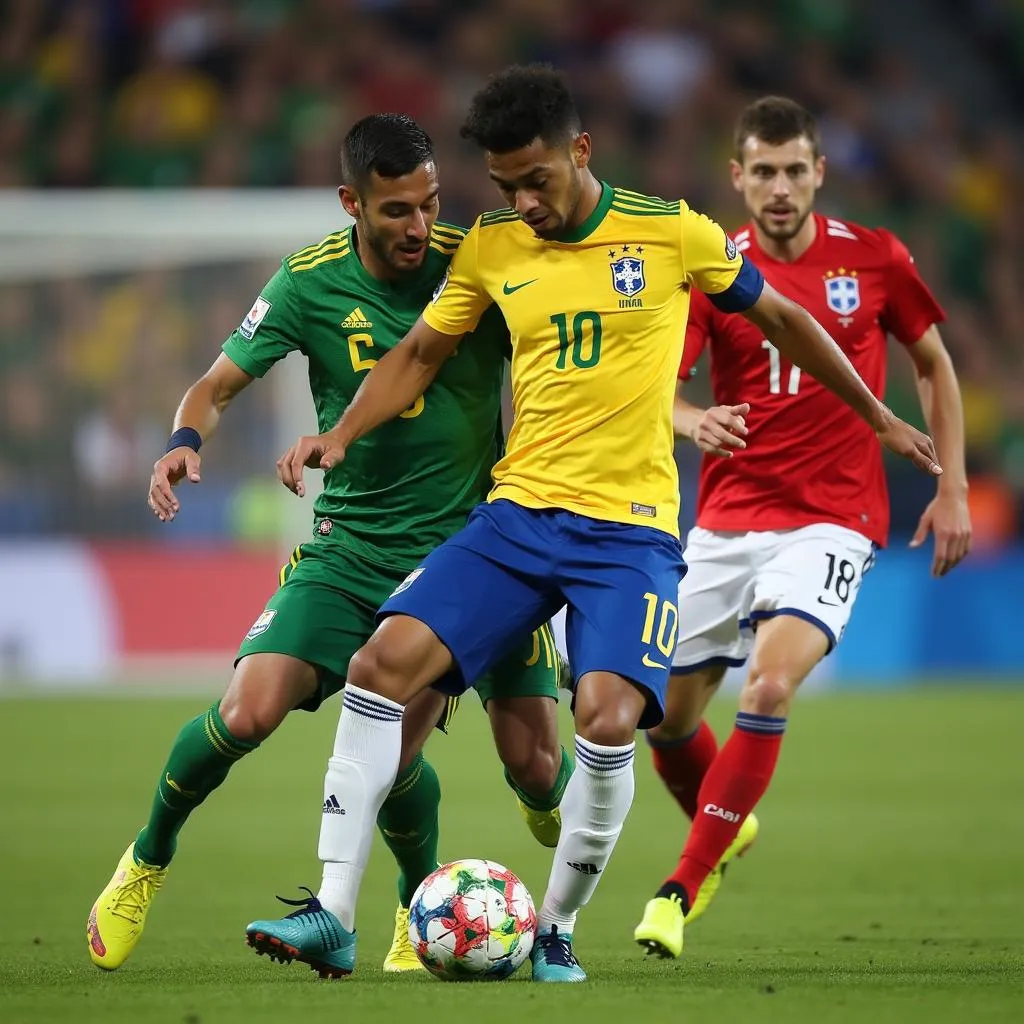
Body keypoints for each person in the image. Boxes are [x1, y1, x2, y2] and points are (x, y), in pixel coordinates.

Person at [245, 65, 940, 984]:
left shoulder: (670, 231)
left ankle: (558, 927)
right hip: (517, 517)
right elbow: (419, 351)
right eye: (504, 186)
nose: (522, 202)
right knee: (379, 666)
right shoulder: (493, 247)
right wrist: (339, 431)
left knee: (607, 720)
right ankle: (333, 912)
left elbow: (782, 320)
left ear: (580, 151)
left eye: (536, 180)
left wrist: (877, 413)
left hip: (629, 535)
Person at [87, 113, 569, 977]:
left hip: (475, 551)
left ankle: (444, 888)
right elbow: (217, 383)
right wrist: (183, 441)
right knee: (247, 711)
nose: (418, 227)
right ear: (352, 202)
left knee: (532, 767)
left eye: (427, 205)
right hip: (350, 549)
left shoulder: (481, 264)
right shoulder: (309, 282)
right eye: (395, 211)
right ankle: (144, 863)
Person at [633, 96, 971, 959]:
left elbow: (932, 362)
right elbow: (662, 389)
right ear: (737, 177)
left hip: (832, 517)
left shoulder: (876, 258)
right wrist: (692, 421)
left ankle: (681, 883)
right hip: (725, 519)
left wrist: (955, 488)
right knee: (663, 720)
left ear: (819, 172)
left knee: (771, 688)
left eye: (795, 170)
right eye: (763, 171)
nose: (780, 188)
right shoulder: (715, 270)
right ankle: (725, 819)